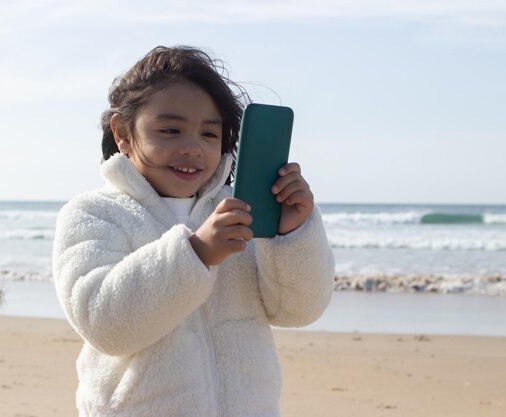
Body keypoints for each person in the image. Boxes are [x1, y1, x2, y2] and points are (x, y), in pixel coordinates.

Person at [52, 45, 335, 417]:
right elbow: (106, 325)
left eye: (208, 134)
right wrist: (196, 253)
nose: (192, 148)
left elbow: (298, 311)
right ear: (122, 133)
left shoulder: (241, 211)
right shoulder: (94, 214)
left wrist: (292, 234)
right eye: (170, 130)